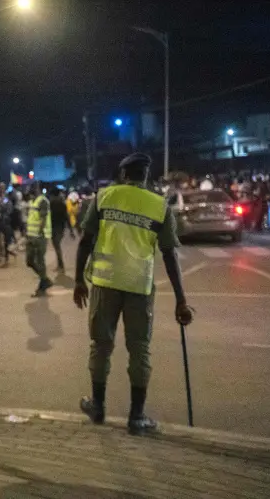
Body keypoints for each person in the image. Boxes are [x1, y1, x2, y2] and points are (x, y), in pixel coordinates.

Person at [73, 152, 194, 435]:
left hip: (104, 284)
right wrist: (181, 300)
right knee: (139, 349)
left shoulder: (103, 197)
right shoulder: (159, 205)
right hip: (139, 287)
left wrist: (78, 280)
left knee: (101, 346)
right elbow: (169, 255)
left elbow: (85, 242)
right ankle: (137, 417)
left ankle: (98, 407)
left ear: (124, 174)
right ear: (146, 176)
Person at [26, 184, 53, 297]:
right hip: (31, 236)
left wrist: (38, 234)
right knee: (29, 261)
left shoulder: (43, 201)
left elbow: (43, 219)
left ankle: (43, 285)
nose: (31, 190)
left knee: (40, 261)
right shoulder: (32, 201)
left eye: (33, 188)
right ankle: (45, 279)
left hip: (39, 237)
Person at [48, 187, 73, 272]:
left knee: (56, 246)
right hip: (60, 228)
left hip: (54, 228)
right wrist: (71, 230)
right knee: (57, 246)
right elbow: (67, 217)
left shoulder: (51, 204)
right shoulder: (62, 204)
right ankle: (60, 265)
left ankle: (61, 265)